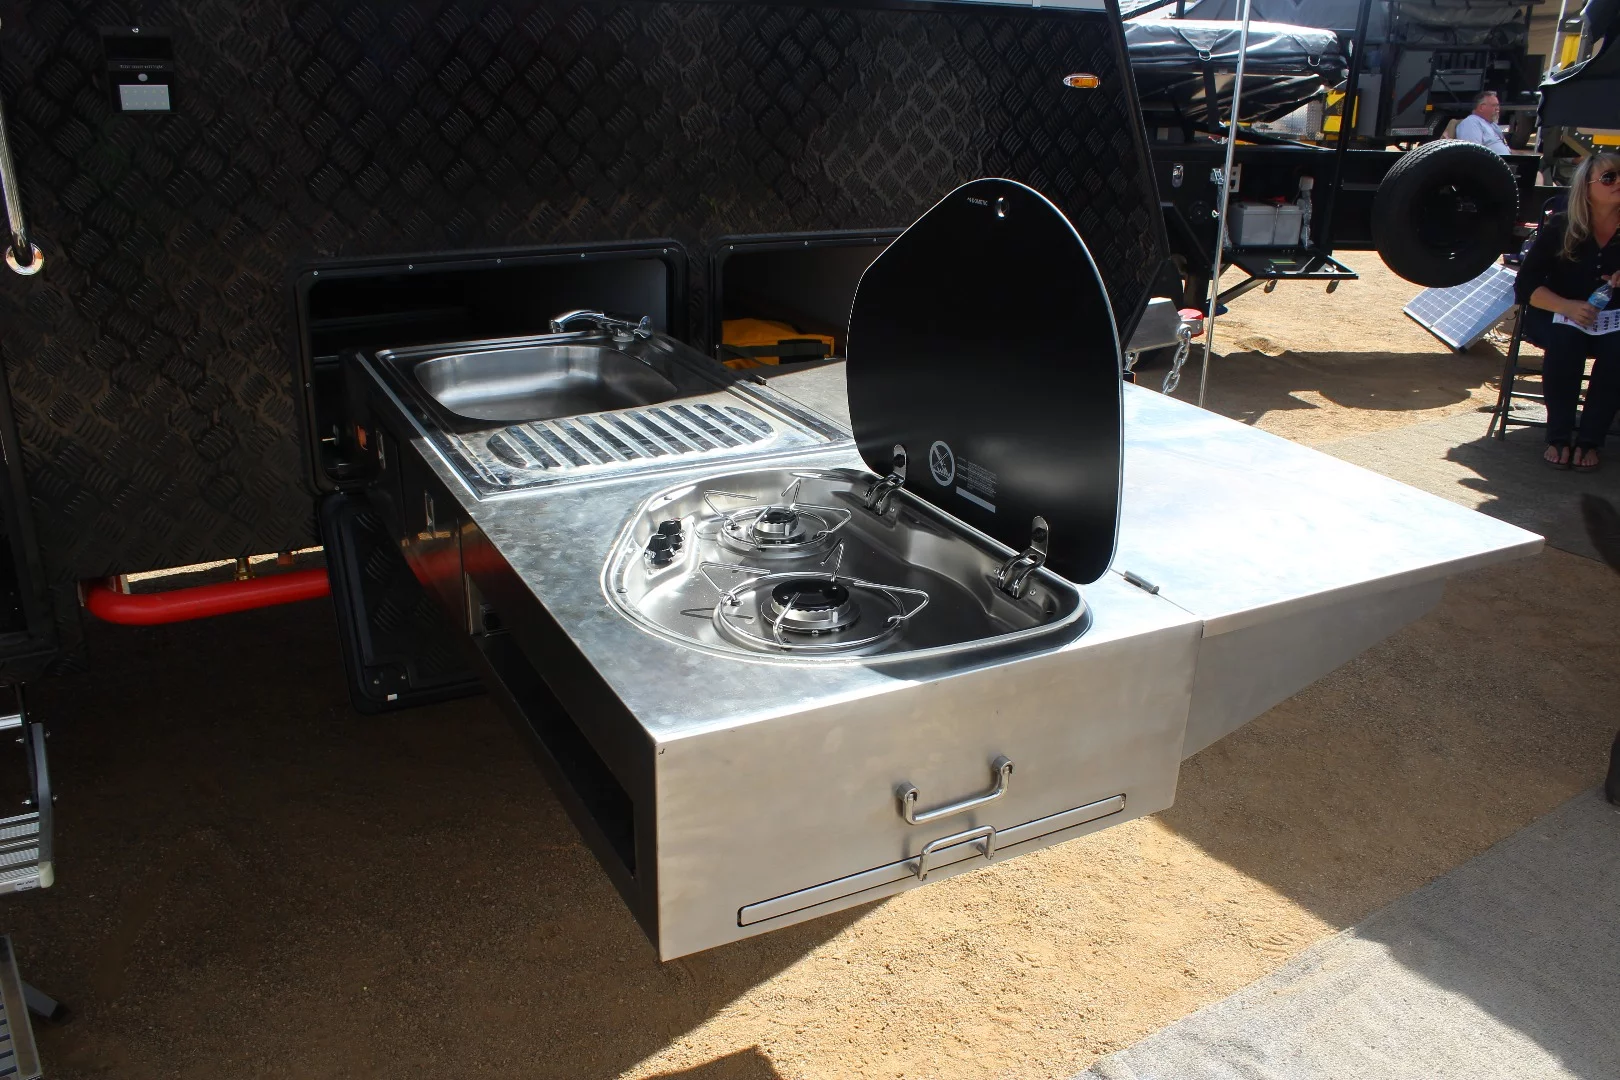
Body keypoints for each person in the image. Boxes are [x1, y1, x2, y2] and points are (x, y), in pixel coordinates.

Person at [1513, 152, 1620, 471]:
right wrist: (1567, 307)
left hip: (1612, 320)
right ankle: (1558, 437)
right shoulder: (1563, 225)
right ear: (1586, 187)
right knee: (1565, 341)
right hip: (1558, 312)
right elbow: (1526, 283)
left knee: (1618, 353)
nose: (1618, 183)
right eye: (1609, 178)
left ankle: (1590, 440)